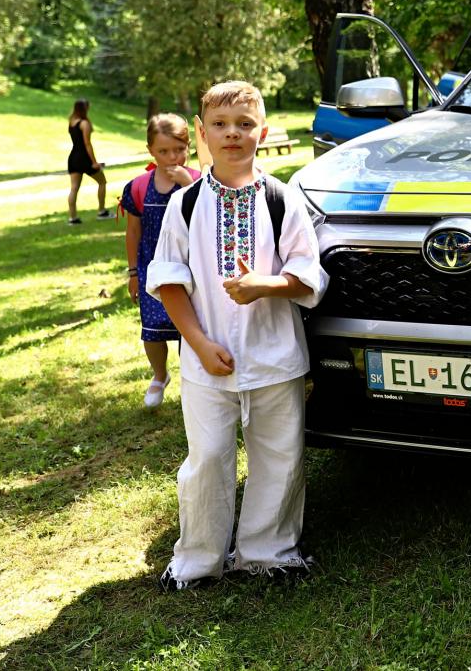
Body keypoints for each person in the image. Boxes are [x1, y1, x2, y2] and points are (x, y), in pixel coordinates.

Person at [146, 80, 328, 591]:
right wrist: (199, 345)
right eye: (220, 125)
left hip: (275, 357)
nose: (232, 134)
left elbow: (308, 274)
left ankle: (269, 552)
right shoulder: (185, 204)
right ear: (201, 133)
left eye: (245, 124)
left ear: (262, 133)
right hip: (206, 359)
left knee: (279, 457)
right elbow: (169, 281)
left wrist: (265, 284)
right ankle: (198, 559)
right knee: (206, 459)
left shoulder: (283, 200)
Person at [121, 114, 200, 408]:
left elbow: (205, 219)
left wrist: (188, 186)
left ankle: (193, 381)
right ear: (150, 150)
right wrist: (132, 273)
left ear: (189, 146)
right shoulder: (139, 187)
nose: (172, 157)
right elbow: (133, 231)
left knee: (188, 329)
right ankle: (159, 375)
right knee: (153, 329)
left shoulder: (200, 181)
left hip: (190, 267)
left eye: (179, 150)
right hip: (151, 269)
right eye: (163, 151)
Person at [66, 98, 111, 224]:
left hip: (73, 158)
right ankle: (102, 211)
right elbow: (87, 144)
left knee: (74, 188)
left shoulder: (71, 122)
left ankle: (73, 218)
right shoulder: (84, 123)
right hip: (83, 157)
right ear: (84, 108)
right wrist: (94, 162)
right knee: (102, 182)